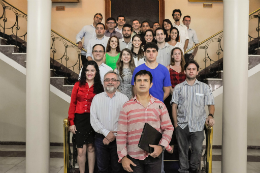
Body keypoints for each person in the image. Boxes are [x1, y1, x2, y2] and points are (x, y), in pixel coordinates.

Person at [117, 70, 174, 173]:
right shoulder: (127, 106)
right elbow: (121, 134)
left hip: (154, 154)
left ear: (151, 84)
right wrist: (123, 157)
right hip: (133, 157)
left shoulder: (159, 105)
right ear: (134, 84)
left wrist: (161, 147)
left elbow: (168, 128)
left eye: (145, 80)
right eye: (139, 80)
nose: (142, 83)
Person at [171, 60, 215, 173]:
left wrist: (210, 115)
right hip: (182, 124)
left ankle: (194, 169)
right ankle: (184, 170)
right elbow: (174, 106)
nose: (191, 71)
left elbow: (211, 104)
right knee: (182, 151)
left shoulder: (204, 87)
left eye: (193, 69)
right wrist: (176, 124)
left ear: (197, 72)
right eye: (189, 69)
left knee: (197, 149)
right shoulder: (178, 88)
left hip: (198, 125)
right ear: (185, 71)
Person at [68, 61, 104, 173]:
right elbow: (72, 103)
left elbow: (101, 106)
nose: (89, 73)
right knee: (80, 150)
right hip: (79, 120)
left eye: (92, 70)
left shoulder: (99, 87)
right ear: (84, 72)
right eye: (87, 70)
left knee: (91, 148)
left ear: (96, 72)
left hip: (93, 120)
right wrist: (71, 122)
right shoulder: (77, 85)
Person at [90, 71, 129, 173]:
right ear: (104, 82)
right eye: (107, 80)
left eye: (113, 80)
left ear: (118, 83)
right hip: (100, 138)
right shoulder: (97, 98)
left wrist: (114, 135)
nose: (110, 82)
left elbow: (126, 120)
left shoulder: (124, 99)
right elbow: (93, 119)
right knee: (102, 168)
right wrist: (107, 133)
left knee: (117, 168)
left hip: (119, 138)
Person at [165, 47, 186, 150]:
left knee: (182, 120)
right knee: (171, 120)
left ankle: (183, 143)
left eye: (179, 53)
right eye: (175, 54)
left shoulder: (186, 68)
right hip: (171, 96)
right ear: (172, 56)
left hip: (184, 98)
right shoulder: (168, 68)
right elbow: (166, 83)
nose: (177, 55)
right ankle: (171, 142)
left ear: (181, 55)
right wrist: (172, 91)